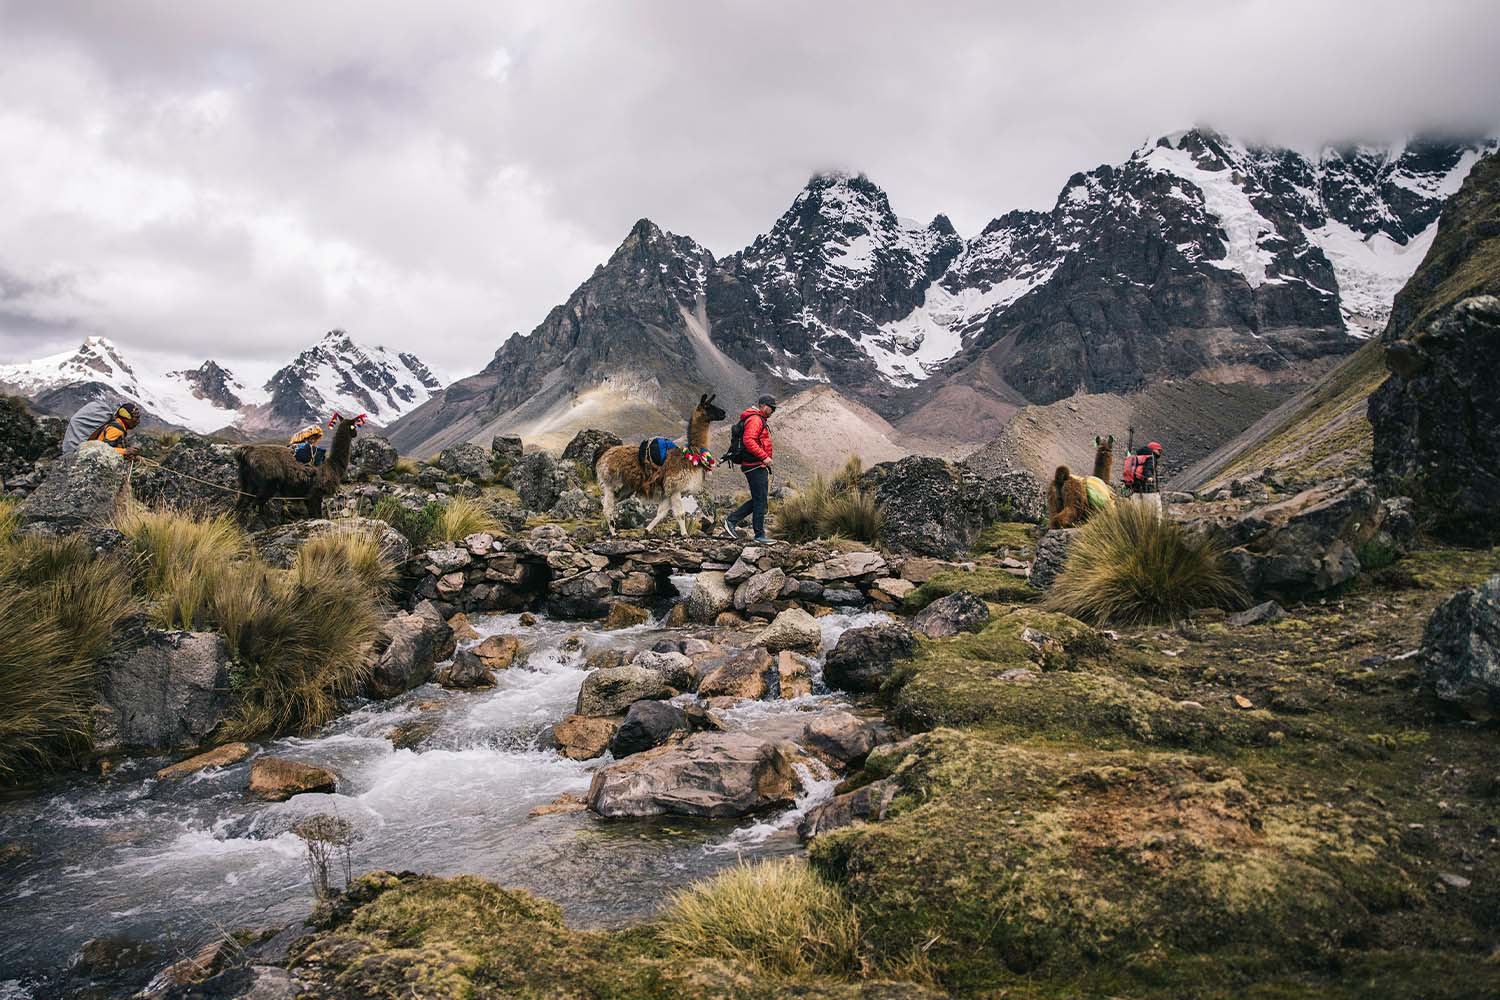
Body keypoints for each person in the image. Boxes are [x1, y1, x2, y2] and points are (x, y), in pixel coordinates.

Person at [723, 394, 776, 542]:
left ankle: (732, 521)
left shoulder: (757, 419)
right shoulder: (755, 419)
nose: (772, 411)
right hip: (754, 465)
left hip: (755, 465)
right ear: (763, 405)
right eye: (771, 408)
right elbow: (748, 440)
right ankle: (758, 535)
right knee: (760, 500)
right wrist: (764, 457)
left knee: (760, 499)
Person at [62, 399, 142, 459]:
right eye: (136, 418)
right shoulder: (116, 430)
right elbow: (103, 449)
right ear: (127, 417)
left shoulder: (116, 425)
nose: (138, 422)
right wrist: (125, 452)